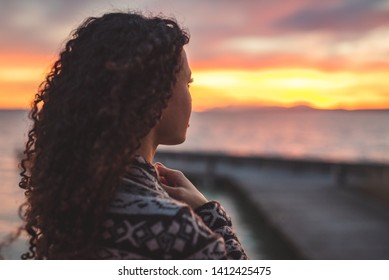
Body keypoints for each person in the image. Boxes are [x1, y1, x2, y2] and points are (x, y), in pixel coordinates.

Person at [18, 11, 248, 259]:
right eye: (187, 83)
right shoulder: (177, 232)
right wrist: (209, 214)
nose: (192, 97)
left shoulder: (73, 202)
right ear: (154, 93)